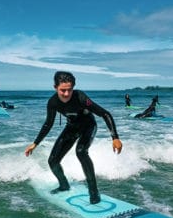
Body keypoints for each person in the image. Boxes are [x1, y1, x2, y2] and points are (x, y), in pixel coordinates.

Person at [25, 71, 122, 204]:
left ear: (73, 87)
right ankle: (64, 185)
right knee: (53, 160)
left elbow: (104, 114)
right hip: (72, 127)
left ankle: (94, 192)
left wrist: (115, 137)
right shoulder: (53, 102)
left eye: (69, 90)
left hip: (88, 125)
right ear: (55, 87)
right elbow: (48, 123)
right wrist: (35, 143)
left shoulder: (81, 97)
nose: (66, 94)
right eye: (62, 90)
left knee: (81, 152)